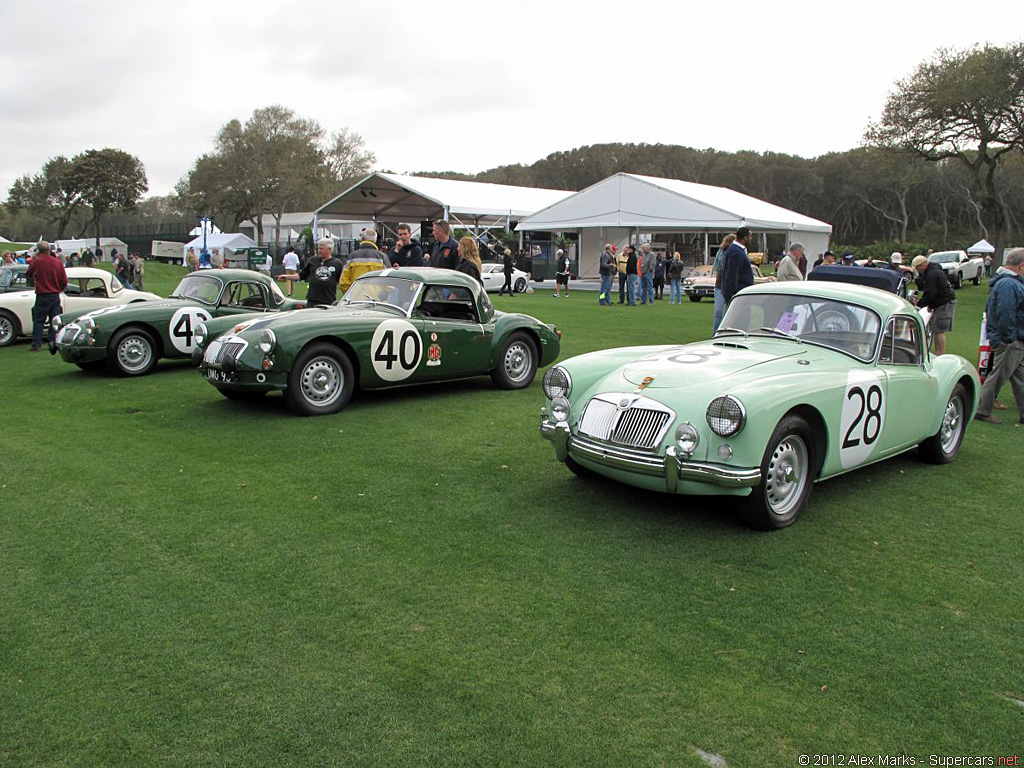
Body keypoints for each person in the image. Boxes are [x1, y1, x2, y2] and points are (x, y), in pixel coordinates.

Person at [974, 248, 1024, 424]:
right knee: (997, 376)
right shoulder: (1008, 284)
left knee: (1019, 378)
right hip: (1010, 339)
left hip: (1013, 338)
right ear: (1022, 265)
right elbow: (1005, 312)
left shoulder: (1009, 283)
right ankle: (981, 410)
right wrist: (1009, 338)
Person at [24, 241, 67, 352]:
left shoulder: (37, 262)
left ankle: (37, 344)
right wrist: (60, 288)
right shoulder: (57, 262)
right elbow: (63, 279)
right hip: (54, 294)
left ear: (38, 250)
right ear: (49, 250)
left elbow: (28, 273)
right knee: (54, 320)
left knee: (39, 320)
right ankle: (52, 342)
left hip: (42, 294)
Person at [911, 254, 956, 356]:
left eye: (918, 268)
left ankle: (941, 354)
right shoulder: (932, 271)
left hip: (944, 302)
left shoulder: (932, 274)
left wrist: (921, 304)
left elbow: (931, 293)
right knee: (937, 330)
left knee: (939, 330)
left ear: (922, 265)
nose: (918, 270)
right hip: (940, 302)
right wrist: (931, 305)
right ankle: (938, 353)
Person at [299, 237, 346, 306]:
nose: (318, 250)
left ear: (329, 250)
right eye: (318, 248)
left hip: (328, 300)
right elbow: (301, 275)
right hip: (312, 300)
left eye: (321, 248)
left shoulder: (337, 264)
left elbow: (342, 282)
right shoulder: (312, 260)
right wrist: (287, 277)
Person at [720, 227, 754, 308]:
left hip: (742, 293)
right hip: (739, 295)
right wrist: (735, 295)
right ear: (745, 237)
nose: (751, 238)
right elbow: (732, 275)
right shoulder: (736, 252)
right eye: (750, 236)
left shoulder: (737, 250)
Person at [712, 234, 736, 332]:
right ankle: (716, 332)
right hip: (720, 285)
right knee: (718, 311)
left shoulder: (734, 254)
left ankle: (727, 331)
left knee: (729, 311)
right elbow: (718, 268)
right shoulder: (720, 253)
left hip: (729, 285)